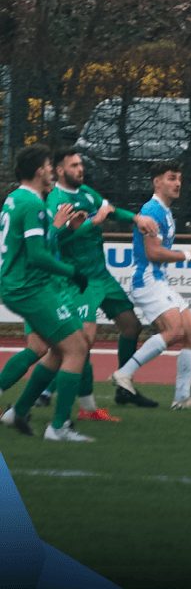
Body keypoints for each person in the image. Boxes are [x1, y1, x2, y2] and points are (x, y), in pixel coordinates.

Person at [27, 147, 161, 417]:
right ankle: (46, 393)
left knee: (131, 325)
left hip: (102, 276)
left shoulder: (88, 193)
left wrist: (136, 217)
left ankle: (124, 387)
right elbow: (56, 238)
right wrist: (93, 222)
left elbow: (109, 210)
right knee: (81, 341)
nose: (80, 169)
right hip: (79, 280)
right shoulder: (56, 199)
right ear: (60, 170)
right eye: (74, 165)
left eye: (80, 164)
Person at [0, 144, 93, 441]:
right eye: (50, 166)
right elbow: (38, 256)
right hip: (31, 287)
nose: (53, 171)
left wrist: (59, 231)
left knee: (54, 349)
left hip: (23, 286)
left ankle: (19, 411)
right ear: (40, 170)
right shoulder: (33, 205)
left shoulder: (15, 199)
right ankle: (58, 427)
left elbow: (34, 245)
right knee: (77, 348)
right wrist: (73, 273)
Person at [107, 161, 191, 410]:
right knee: (174, 331)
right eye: (171, 178)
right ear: (157, 182)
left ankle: (182, 397)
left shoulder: (163, 210)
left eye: (179, 179)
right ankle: (124, 373)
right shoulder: (152, 210)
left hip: (159, 281)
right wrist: (187, 255)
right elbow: (153, 252)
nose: (177, 183)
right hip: (148, 281)